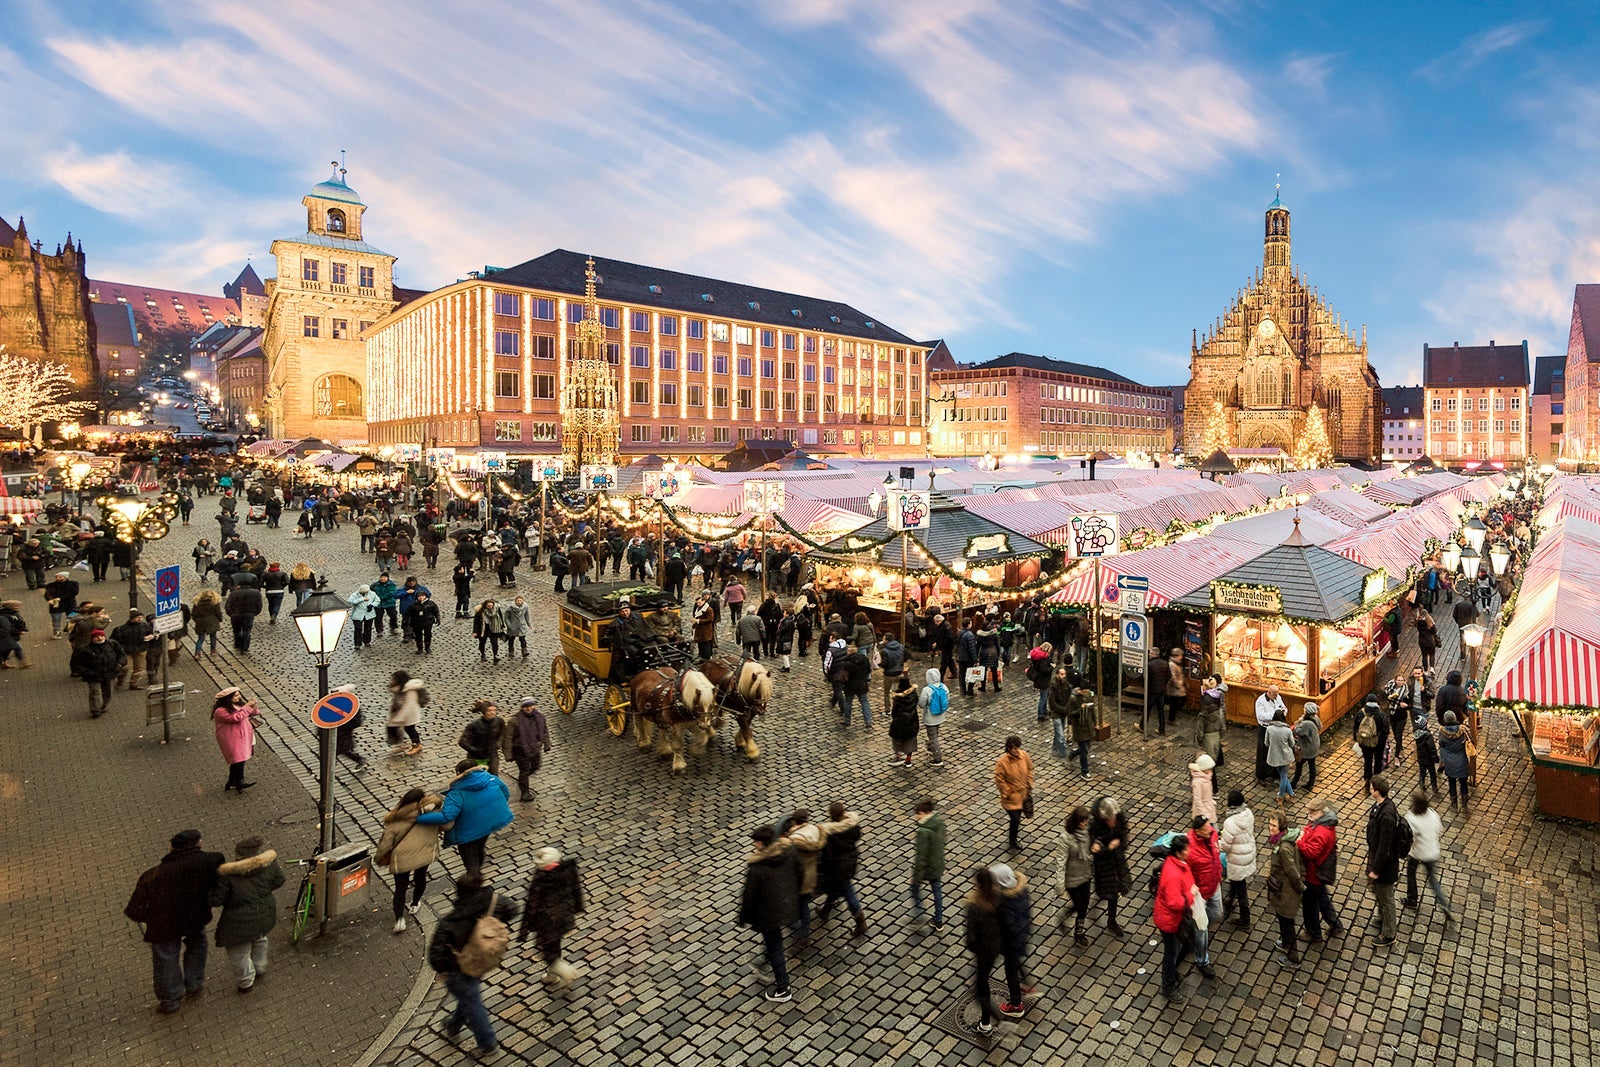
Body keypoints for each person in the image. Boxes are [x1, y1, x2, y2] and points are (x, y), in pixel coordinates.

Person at [124, 829, 225, 1014]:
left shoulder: (152, 876)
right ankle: (194, 982)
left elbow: (134, 910)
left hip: (164, 925)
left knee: (166, 958)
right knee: (197, 943)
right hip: (196, 916)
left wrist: (150, 916)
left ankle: (170, 1000)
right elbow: (218, 883)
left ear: (171, 848)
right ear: (199, 843)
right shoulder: (212, 860)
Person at [427, 874, 520, 1058]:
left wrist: (442, 969)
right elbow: (513, 909)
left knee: (471, 999)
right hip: (482, 960)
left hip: (459, 967)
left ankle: (487, 1044)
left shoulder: (451, 921)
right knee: (468, 995)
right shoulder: (492, 901)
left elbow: (436, 955)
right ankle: (454, 1025)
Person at [415, 759, 515, 880]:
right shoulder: (491, 779)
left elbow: (447, 816)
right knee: (480, 847)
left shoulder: (457, 793)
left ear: (459, 773)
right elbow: (505, 794)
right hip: (488, 825)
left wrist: (419, 818)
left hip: (468, 831)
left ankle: (474, 881)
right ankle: (477, 872)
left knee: (470, 857)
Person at [208, 836, 285, 993]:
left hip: (238, 921)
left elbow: (215, 899)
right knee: (259, 937)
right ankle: (259, 965)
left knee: (238, 952)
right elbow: (279, 880)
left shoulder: (228, 875)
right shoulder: (268, 864)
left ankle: (246, 982)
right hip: (265, 911)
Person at [739, 824, 800, 1003]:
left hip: (768, 914)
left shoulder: (757, 867)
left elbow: (749, 896)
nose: (754, 845)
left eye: (756, 842)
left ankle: (783, 987)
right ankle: (764, 960)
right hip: (787, 904)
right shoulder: (788, 851)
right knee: (774, 941)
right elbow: (800, 871)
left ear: (762, 843)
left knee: (775, 947)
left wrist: (743, 918)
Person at [375, 787, 443, 933]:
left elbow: (385, 844)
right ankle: (415, 903)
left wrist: (379, 858)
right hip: (424, 855)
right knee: (420, 878)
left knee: (400, 889)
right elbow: (445, 825)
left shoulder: (395, 821)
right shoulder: (430, 814)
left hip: (402, 859)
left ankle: (399, 919)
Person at [518, 846, 586, 989]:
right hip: (564, 917)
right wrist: (578, 908)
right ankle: (551, 975)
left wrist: (524, 930)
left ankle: (563, 970)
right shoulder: (568, 870)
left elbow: (532, 905)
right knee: (554, 945)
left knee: (546, 949)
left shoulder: (540, 880)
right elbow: (576, 890)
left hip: (547, 921)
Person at [1153, 832, 1197, 1002]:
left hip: (1176, 918)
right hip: (1170, 920)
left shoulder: (1177, 863)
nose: (1189, 851)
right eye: (1187, 849)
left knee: (1185, 945)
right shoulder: (1172, 873)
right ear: (1178, 853)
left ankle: (1172, 972)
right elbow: (1174, 902)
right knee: (1171, 953)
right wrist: (1191, 895)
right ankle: (1168, 986)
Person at [1296, 797, 1345, 943]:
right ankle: (1335, 925)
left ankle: (1313, 933)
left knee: (1310, 905)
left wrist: (1300, 841)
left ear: (1321, 812)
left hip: (1313, 874)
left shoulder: (1322, 831)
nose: (1309, 814)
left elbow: (1312, 853)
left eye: (1313, 811)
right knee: (1323, 899)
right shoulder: (1323, 823)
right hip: (1318, 873)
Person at [963, 867, 1004, 1035]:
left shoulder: (974, 906)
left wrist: (975, 948)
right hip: (996, 948)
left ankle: (994, 1020)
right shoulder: (999, 899)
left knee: (979, 988)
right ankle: (985, 1022)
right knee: (982, 981)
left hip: (983, 951)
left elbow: (970, 938)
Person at [816, 802, 867, 938]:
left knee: (848, 892)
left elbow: (827, 855)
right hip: (851, 862)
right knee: (835, 888)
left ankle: (861, 924)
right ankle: (825, 911)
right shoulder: (852, 826)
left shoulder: (830, 833)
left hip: (838, 868)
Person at [1403, 791, 1453, 920]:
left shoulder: (1411, 818)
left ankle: (1412, 899)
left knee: (1411, 873)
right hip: (1432, 851)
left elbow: (1409, 836)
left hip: (1418, 852)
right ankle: (1443, 903)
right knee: (1432, 879)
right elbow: (1438, 828)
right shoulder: (1432, 814)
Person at [1365, 773, 1401, 947]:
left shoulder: (1387, 815)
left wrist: (1376, 869)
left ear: (1377, 792)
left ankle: (1389, 933)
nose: (1369, 790)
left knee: (1386, 897)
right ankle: (1381, 917)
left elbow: (1384, 848)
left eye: (1371, 788)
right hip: (1377, 858)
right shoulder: (1380, 805)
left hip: (1385, 865)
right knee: (1379, 891)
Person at [992, 863, 1032, 1019]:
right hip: (1021, 938)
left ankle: (1016, 1005)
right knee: (1017, 962)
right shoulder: (1022, 892)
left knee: (1011, 971)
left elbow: (1007, 927)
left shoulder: (1005, 903)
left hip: (1010, 944)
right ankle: (1027, 984)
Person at [1265, 813, 1305, 966]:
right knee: (1283, 920)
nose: (1271, 828)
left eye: (1274, 825)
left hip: (1287, 892)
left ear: (1281, 827)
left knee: (1287, 923)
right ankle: (1286, 944)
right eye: (1270, 824)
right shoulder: (1282, 840)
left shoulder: (1283, 848)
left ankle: (1293, 957)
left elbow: (1292, 871)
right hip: (1282, 890)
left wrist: (1301, 887)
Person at [1185, 816, 1222, 978]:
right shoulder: (1190, 849)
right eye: (1207, 829)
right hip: (1200, 895)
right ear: (1198, 832)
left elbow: (1216, 845)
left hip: (1214, 885)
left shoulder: (1212, 833)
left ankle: (1196, 928)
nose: (1210, 830)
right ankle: (1201, 960)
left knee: (1217, 914)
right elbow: (1185, 873)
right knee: (1202, 929)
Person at [1089, 795, 1131, 937]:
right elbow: (1093, 850)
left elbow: (1124, 832)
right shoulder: (1095, 826)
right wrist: (1109, 848)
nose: (1113, 821)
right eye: (1110, 819)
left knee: (1115, 892)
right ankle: (1100, 907)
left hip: (1117, 861)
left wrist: (1120, 844)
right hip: (1104, 865)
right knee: (1107, 890)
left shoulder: (1119, 816)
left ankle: (1111, 920)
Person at [1053, 806, 1094, 946]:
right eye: (1082, 822)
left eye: (1086, 821)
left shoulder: (1087, 832)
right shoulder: (1066, 838)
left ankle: (1068, 920)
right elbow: (1061, 862)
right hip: (1072, 879)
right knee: (1080, 906)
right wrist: (1060, 885)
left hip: (1085, 874)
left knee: (1084, 904)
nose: (1085, 824)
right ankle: (1079, 933)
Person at [1218, 790, 1257, 930]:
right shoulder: (1248, 813)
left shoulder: (1230, 822)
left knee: (1241, 888)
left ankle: (1245, 919)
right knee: (1236, 880)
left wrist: (1219, 843)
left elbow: (1226, 846)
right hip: (1247, 853)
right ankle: (1229, 899)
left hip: (1236, 858)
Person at [213, 687, 261, 793]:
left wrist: (254, 707)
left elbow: (250, 713)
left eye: (239, 694)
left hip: (243, 737)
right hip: (232, 739)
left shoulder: (238, 705)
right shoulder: (220, 711)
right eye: (236, 695)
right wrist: (248, 706)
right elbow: (236, 717)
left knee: (238, 760)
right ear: (228, 698)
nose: (238, 697)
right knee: (238, 759)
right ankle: (240, 781)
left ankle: (232, 781)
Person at [503, 697, 552, 802]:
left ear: (534, 705)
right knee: (524, 770)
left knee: (535, 766)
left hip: (535, 747)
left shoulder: (540, 717)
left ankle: (522, 780)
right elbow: (507, 738)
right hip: (520, 749)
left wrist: (546, 743)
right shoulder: (514, 721)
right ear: (522, 708)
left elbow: (544, 731)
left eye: (530, 706)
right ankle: (525, 793)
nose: (529, 708)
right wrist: (508, 755)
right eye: (526, 706)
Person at [71, 627, 123, 718]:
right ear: (92, 638)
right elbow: (75, 663)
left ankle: (104, 705)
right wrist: (85, 672)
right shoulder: (83, 649)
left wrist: (119, 664)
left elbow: (121, 655)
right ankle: (95, 709)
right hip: (93, 675)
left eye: (101, 636)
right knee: (95, 691)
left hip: (110, 673)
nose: (99, 638)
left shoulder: (112, 644)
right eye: (96, 637)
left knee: (107, 691)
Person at [910, 797, 946, 929]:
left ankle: (919, 915)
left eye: (919, 814)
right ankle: (939, 920)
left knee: (914, 889)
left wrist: (916, 877)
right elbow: (944, 840)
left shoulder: (923, 832)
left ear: (925, 813)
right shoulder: (939, 822)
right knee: (937, 891)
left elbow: (921, 857)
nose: (917, 817)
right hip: (938, 864)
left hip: (928, 868)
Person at [994, 735, 1034, 852]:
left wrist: (1029, 782)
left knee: (1019, 818)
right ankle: (1013, 840)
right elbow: (999, 779)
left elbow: (1030, 768)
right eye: (1014, 748)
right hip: (1010, 798)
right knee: (1015, 818)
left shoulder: (1024, 755)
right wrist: (1008, 792)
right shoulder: (1002, 762)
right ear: (1009, 749)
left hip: (1022, 795)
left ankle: (1013, 838)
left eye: (1017, 747)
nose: (1016, 751)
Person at [459, 699, 506, 777]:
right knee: (478, 777)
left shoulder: (499, 721)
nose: (493, 713)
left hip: (492, 755)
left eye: (494, 710)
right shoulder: (474, 725)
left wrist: (498, 743)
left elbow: (503, 733)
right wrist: (475, 750)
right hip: (476, 757)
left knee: (493, 776)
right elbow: (462, 742)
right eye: (489, 710)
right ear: (484, 712)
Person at [388, 670, 428, 756]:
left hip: (410, 714)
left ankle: (417, 745)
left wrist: (400, 717)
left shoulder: (410, 691)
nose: (392, 681)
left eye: (394, 679)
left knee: (410, 729)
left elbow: (409, 705)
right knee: (403, 728)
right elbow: (397, 699)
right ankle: (402, 743)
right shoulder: (399, 688)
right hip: (403, 713)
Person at [1438, 711, 1472, 806]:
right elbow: (1470, 740)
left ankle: (1453, 800)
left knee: (1451, 782)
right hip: (1461, 759)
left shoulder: (1442, 732)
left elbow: (1441, 744)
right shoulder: (1462, 730)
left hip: (1449, 761)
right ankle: (1464, 797)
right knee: (1463, 781)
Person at [1354, 696, 1389, 786]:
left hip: (1364, 742)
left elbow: (1356, 727)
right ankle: (1376, 779)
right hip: (1378, 743)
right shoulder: (1380, 714)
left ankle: (1367, 778)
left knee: (1367, 761)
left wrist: (1357, 739)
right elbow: (1385, 730)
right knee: (1378, 760)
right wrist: (1382, 742)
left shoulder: (1361, 712)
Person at [1255, 685, 1287, 782]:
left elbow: (1284, 708)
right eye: (1274, 695)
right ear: (1269, 693)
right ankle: (1261, 775)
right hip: (1265, 729)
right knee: (1263, 751)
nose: (1276, 697)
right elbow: (1261, 716)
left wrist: (1282, 712)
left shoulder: (1278, 697)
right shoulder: (1260, 701)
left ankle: (1274, 773)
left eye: (1277, 694)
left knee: (1275, 750)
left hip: (1275, 727)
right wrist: (1276, 714)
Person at [1195, 674, 1226, 775]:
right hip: (1216, 735)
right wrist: (1220, 735)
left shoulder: (1202, 715)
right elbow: (1223, 727)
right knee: (1215, 754)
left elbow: (1199, 731)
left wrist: (1199, 740)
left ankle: (1210, 778)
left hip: (1207, 737)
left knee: (1208, 759)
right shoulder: (1219, 712)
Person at [838, 640, 873, 728]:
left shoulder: (847, 663)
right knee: (864, 702)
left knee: (848, 702)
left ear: (849, 652)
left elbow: (844, 676)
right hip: (862, 684)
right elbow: (868, 670)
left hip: (850, 686)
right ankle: (868, 721)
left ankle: (847, 720)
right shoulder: (864, 659)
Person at [888, 674, 920, 767]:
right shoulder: (914, 695)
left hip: (899, 722)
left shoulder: (898, 697)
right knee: (910, 740)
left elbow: (894, 711)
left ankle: (898, 757)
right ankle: (908, 760)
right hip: (912, 720)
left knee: (896, 740)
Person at [919, 667, 948, 767]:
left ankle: (937, 758)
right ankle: (931, 748)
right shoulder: (943, 686)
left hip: (930, 718)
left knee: (933, 737)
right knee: (935, 734)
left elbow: (921, 704)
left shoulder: (927, 690)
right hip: (940, 716)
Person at [224, 581, 263, 652]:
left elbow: (228, 606)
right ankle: (245, 647)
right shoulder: (256, 593)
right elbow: (259, 605)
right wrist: (255, 613)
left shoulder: (233, 593)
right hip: (249, 614)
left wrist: (231, 614)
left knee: (237, 630)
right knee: (247, 631)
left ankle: (237, 644)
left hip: (236, 614)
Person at [1291, 702, 1322, 791]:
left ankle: (1294, 783)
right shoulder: (1315, 718)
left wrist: (1298, 723)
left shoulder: (1306, 723)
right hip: (1314, 744)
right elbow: (1320, 727)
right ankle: (1310, 783)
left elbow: (1297, 731)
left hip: (1307, 747)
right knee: (1312, 764)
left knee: (1299, 764)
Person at [1266, 711, 1297, 798]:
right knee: (1284, 776)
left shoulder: (1269, 729)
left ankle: (1291, 793)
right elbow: (1292, 744)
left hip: (1274, 756)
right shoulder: (1287, 730)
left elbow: (1266, 743)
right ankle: (1281, 794)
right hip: (1286, 756)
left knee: (1283, 775)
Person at [1414, 712, 1441, 795]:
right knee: (1432, 773)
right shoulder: (1428, 736)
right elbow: (1432, 748)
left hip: (1421, 757)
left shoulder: (1417, 734)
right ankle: (1434, 787)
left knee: (1422, 772)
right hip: (1428, 758)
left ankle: (1421, 783)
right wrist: (1435, 758)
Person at [1027, 641, 1054, 722]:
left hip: (1039, 679)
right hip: (1043, 680)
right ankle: (1040, 715)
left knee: (1045, 695)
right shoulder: (1043, 658)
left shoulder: (1037, 656)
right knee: (1043, 697)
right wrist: (1052, 667)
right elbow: (1044, 670)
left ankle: (1044, 710)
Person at [472, 598, 505, 664]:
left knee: (494, 642)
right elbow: (476, 622)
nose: (490, 607)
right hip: (484, 628)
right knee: (482, 642)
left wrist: (502, 625)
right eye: (488, 606)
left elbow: (500, 617)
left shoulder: (497, 609)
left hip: (494, 627)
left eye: (491, 606)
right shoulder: (480, 611)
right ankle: (483, 654)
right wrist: (475, 631)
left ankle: (495, 656)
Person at [348, 584, 380, 649]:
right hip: (357, 615)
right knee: (358, 629)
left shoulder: (372, 594)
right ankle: (357, 643)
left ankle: (367, 641)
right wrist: (362, 599)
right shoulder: (355, 595)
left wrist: (372, 605)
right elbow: (351, 602)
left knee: (368, 628)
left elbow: (377, 600)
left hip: (369, 614)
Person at [500, 595, 531, 660]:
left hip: (521, 626)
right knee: (511, 638)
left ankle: (524, 651)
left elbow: (527, 615)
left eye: (520, 601)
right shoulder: (510, 608)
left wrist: (529, 624)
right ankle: (511, 650)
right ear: (515, 601)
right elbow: (506, 618)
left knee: (522, 639)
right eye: (518, 601)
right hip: (513, 625)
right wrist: (509, 625)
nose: (519, 602)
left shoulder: (525, 607)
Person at [1163, 647, 1188, 726]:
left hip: (1178, 687)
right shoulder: (1172, 664)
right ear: (1176, 656)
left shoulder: (1177, 663)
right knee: (1175, 703)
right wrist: (1178, 684)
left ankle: (1171, 717)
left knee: (1178, 701)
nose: (1181, 657)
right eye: (1180, 655)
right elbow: (1173, 676)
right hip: (1175, 688)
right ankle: (1171, 719)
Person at [1189, 752, 1217, 822]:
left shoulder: (1207, 776)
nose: (1211, 770)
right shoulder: (1198, 782)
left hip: (1208, 807)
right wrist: (1203, 813)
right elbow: (1197, 799)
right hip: (1203, 812)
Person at [956, 617, 979, 697]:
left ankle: (963, 690)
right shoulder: (969, 635)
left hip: (961, 657)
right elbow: (972, 649)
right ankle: (970, 690)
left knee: (961, 674)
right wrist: (975, 660)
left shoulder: (959, 633)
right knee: (972, 674)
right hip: (968, 658)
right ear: (968, 624)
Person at [1415, 609, 1440, 679]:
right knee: (1432, 654)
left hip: (1422, 641)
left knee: (1424, 656)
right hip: (1431, 641)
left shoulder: (1418, 622)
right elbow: (1435, 631)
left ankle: (1425, 671)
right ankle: (1432, 668)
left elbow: (1417, 628)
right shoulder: (1430, 622)